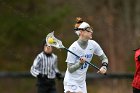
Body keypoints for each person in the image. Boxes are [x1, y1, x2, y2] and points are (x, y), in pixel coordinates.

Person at [63, 17, 109, 93]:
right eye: (88, 30)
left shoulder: (93, 44)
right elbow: (70, 69)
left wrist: (104, 67)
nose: (91, 31)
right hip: (71, 81)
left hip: (82, 83)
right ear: (81, 32)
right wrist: (80, 63)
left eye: (91, 29)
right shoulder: (73, 48)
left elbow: (104, 58)